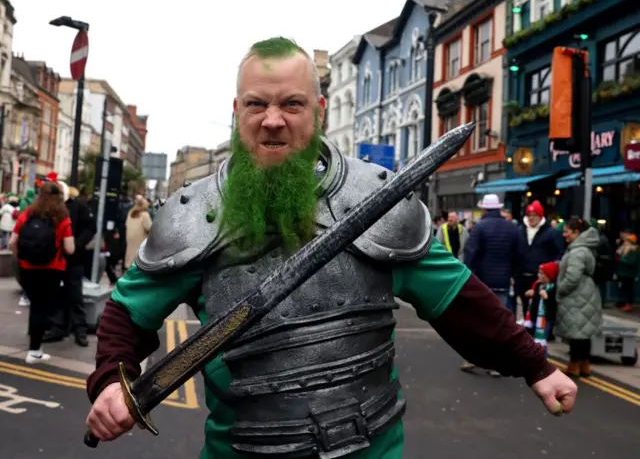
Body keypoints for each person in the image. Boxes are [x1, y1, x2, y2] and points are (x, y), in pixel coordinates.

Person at [85, 37, 577, 459]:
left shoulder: (376, 201)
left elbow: (460, 302)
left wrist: (535, 366)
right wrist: (111, 379)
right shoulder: (196, 213)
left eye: (292, 104)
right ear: (237, 113)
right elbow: (128, 312)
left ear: (318, 112)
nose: (273, 120)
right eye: (257, 104)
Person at [9, 181, 75, 363]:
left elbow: (12, 242)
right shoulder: (62, 217)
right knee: (42, 308)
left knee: (35, 306)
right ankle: (34, 351)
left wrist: (22, 258)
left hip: (28, 269)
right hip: (51, 269)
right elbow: (70, 248)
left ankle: (35, 344)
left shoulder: (27, 214)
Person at [462, 193, 519, 376]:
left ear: (485, 209)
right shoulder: (512, 228)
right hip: (503, 281)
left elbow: (471, 253)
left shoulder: (479, 228)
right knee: (499, 322)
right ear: (499, 208)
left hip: (483, 282)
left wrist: (468, 278)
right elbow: (519, 254)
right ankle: (497, 364)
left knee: (479, 320)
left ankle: (474, 359)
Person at [44, 181, 96, 346]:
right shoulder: (50, 208)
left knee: (75, 295)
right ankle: (58, 327)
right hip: (55, 259)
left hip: (74, 259)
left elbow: (90, 227)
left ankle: (80, 329)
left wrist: (78, 244)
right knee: (56, 294)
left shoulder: (78, 206)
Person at [556, 217, 603, 378]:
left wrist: (561, 289)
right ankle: (584, 365)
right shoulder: (585, 248)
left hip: (577, 297)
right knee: (583, 332)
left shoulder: (577, 251)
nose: (565, 235)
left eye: (567, 231)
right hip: (587, 294)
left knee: (575, 331)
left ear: (577, 232)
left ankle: (574, 365)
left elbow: (572, 277)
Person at [516, 200, 564, 317]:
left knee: (540, 310)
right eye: (529, 215)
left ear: (540, 216)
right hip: (522, 277)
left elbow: (558, 254)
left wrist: (550, 273)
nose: (532, 218)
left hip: (541, 278)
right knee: (526, 308)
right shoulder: (519, 231)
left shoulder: (551, 233)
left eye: (535, 215)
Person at [524, 262, 559, 349]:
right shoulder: (537, 285)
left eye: (542, 273)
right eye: (539, 273)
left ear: (548, 275)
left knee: (541, 342)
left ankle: (543, 359)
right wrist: (530, 294)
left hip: (545, 319)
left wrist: (546, 297)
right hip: (534, 317)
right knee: (532, 341)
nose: (539, 275)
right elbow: (535, 300)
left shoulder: (552, 288)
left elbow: (552, 305)